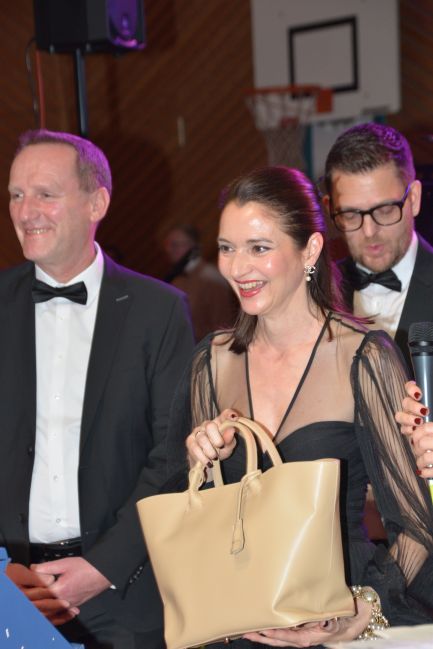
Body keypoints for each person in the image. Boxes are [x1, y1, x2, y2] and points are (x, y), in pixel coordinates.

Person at [165, 166, 433, 648]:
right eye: (227, 248)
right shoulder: (211, 361)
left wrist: (364, 607)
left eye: (259, 248)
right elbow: (193, 515)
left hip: (335, 619)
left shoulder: (362, 356)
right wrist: (200, 457)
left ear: (309, 250)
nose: (238, 267)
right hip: (239, 624)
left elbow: (415, 522)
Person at [0, 129, 194, 648]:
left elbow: (175, 455)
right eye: (16, 194)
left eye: (45, 194)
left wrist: (104, 566)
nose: (25, 211)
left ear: (96, 203)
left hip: (123, 592)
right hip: (9, 591)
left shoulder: (159, 311)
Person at [323, 122, 433, 374]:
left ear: (414, 198)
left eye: (385, 210)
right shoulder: (317, 292)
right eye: (350, 215)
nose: (369, 231)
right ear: (330, 208)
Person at [163, 223, 237, 341]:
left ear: (194, 246)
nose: (169, 250)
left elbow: (223, 326)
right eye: (168, 245)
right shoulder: (177, 279)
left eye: (176, 245)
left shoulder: (210, 278)